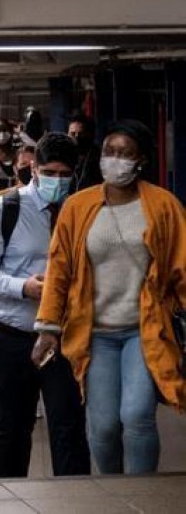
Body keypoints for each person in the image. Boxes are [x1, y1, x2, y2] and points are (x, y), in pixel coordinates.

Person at [33, 119, 185, 475]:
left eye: (124, 153)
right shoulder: (77, 207)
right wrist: (47, 327)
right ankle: (113, 488)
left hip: (144, 331)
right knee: (102, 427)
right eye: (109, 152)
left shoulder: (164, 206)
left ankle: (140, 492)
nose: (114, 159)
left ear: (141, 160)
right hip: (94, 333)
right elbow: (59, 270)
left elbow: (181, 266)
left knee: (136, 416)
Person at [0, 132, 90, 478]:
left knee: (68, 427)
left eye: (66, 175)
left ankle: (74, 499)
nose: (59, 181)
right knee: (14, 428)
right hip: (11, 336)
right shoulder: (6, 209)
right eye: (51, 172)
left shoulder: (81, 212)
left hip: (66, 339)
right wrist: (24, 288)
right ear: (33, 168)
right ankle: (8, 496)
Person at [67, 113, 103, 193]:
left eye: (80, 134)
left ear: (89, 134)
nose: (76, 137)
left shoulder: (99, 158)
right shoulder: (63, 156)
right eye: (72, 134)